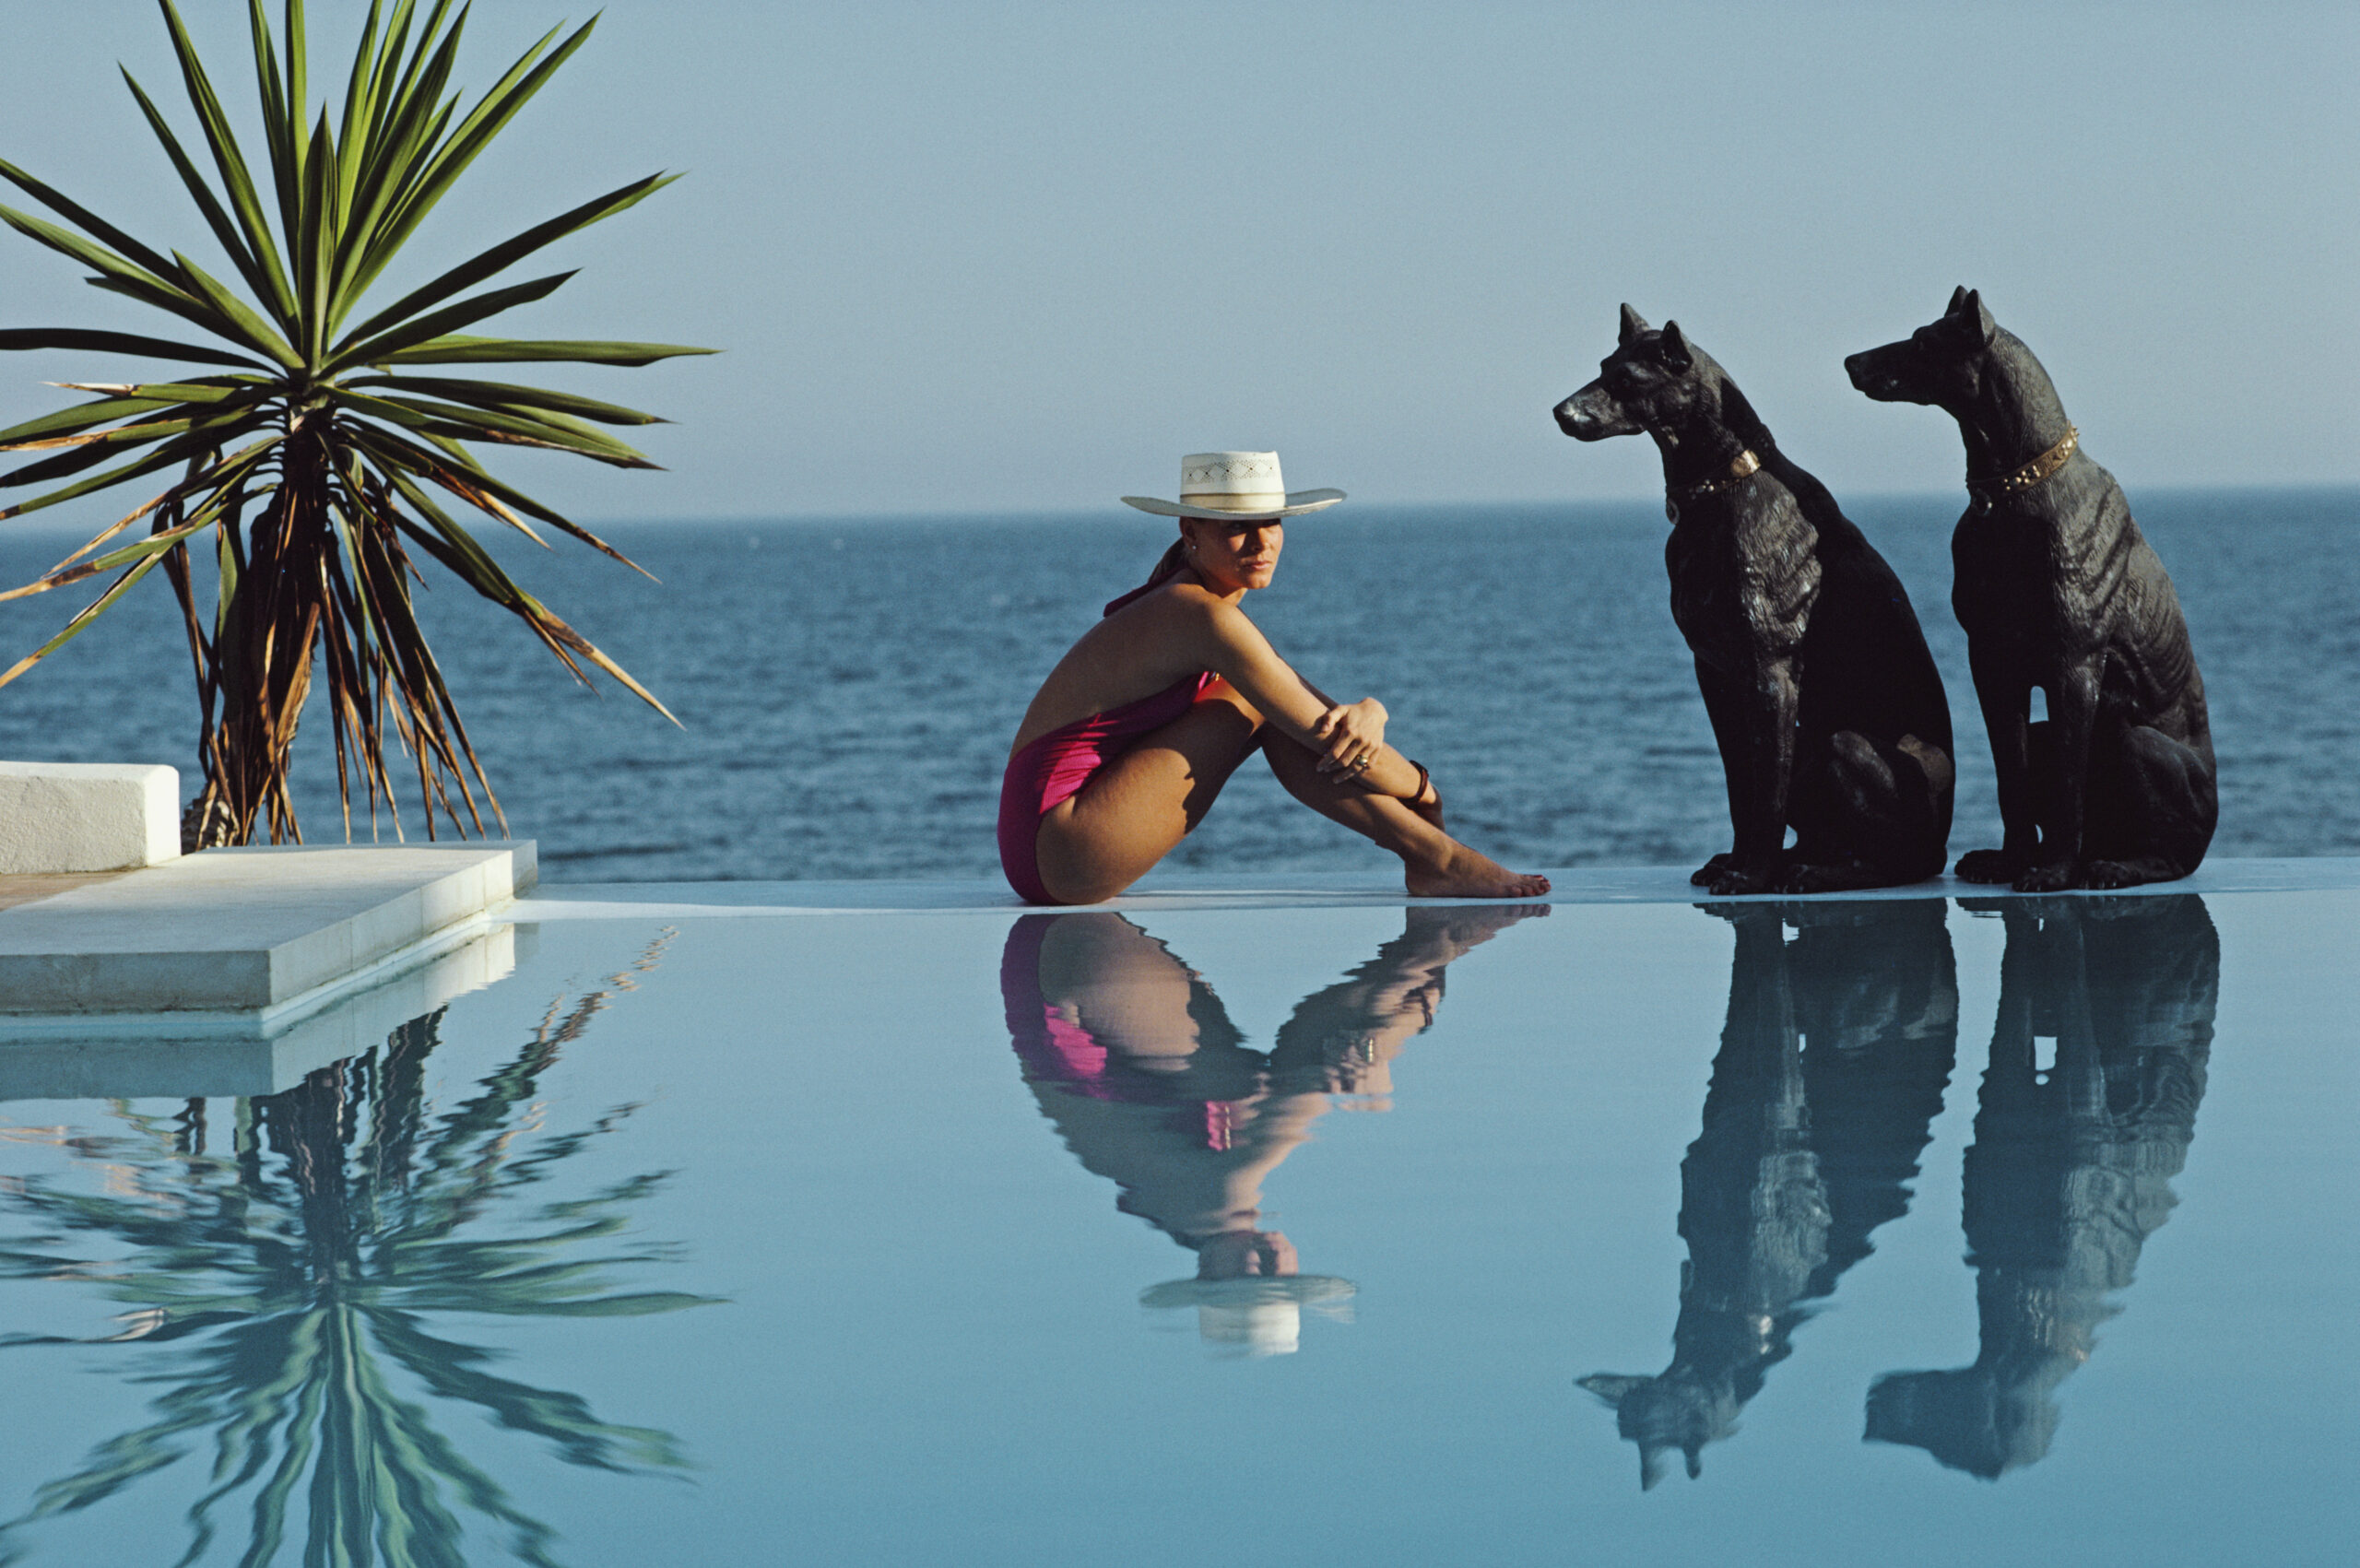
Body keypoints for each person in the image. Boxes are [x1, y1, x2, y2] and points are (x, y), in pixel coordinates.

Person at [997, 452, 1552, 904]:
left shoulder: (1195, 608)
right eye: (1238, 529)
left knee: (1256, 701)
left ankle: (1432, 857)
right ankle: (1440, 859)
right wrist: (1426, 792)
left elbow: (1313, 710)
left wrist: (1372, 709)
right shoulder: (1200, 616)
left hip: (1048, 850)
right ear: (1191, 531)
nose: (1261, 543)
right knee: (1251, 704)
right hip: (1060, 847)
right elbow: (1314, 726)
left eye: (1270, 524)